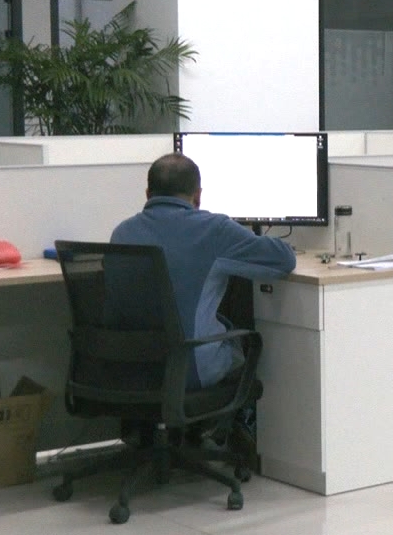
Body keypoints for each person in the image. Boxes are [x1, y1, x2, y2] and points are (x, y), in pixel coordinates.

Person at [111, 153, 296, 390]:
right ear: (198, 196)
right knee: (239, 342)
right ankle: (248, 412)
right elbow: (284, 259)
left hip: (131, 370)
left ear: (148, 194)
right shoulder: (214, 229)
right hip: (190, 371)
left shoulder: (121, 233)